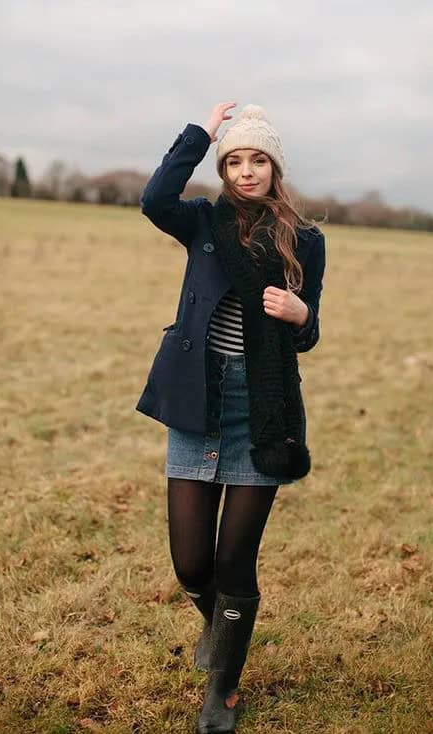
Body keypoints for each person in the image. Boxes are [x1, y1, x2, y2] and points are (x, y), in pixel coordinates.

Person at [135, 102, 326, 732]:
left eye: (258, 159)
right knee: (191, 563)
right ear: (223, 167)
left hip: (262, 407)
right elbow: (155, 195)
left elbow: (308, 332)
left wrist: (302, 317)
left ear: (275, 166)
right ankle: (221, 631)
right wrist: (202, 133)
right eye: (235, 161)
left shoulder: (305, 239)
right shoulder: (201, 222)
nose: (247, 172)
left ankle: (224, 686)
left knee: (235, 560)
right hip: (199, 400)